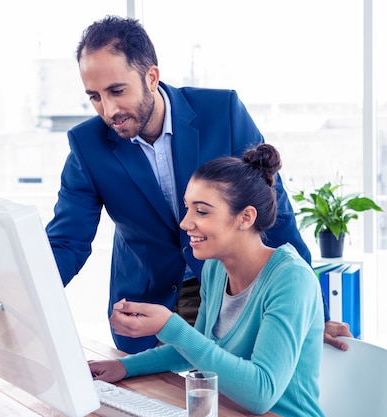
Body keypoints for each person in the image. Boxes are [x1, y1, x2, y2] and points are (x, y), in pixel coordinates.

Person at [46, 15, 351, 354]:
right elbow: (66, 241)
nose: (109, 109)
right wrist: (20, 296)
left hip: (228, 294)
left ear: (151, 77)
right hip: (148, 305)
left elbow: (274, 215)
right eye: (95, 97)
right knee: (146, 404)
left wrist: (315, 313)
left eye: (117, 90)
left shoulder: (223, 113)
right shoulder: (88, 145)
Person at [89, 144, 325, 416]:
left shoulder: (291, 279)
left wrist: (170, 326)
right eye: (187, 208)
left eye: (201, 211)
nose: (185, 223)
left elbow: (262, 393)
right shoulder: (215, 268)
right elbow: (194, 349)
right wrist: (125, 367)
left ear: (245, 217)